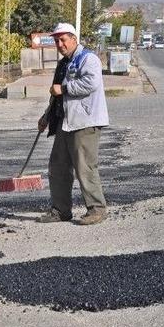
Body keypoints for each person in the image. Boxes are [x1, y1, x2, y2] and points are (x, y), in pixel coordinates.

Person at [37, 23, 108, 225]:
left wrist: (65, 88)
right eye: (57, 41)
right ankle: (61, 210)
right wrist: (46, 117)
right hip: (65, 122)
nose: (60, 44)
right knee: (58, 166)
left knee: (85, 166)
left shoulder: (88, 59)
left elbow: (90, 83)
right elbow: (56, 95)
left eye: (63, 40)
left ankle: (96, 209)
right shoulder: (63, 64)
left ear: (74, 39)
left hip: (85, 122)